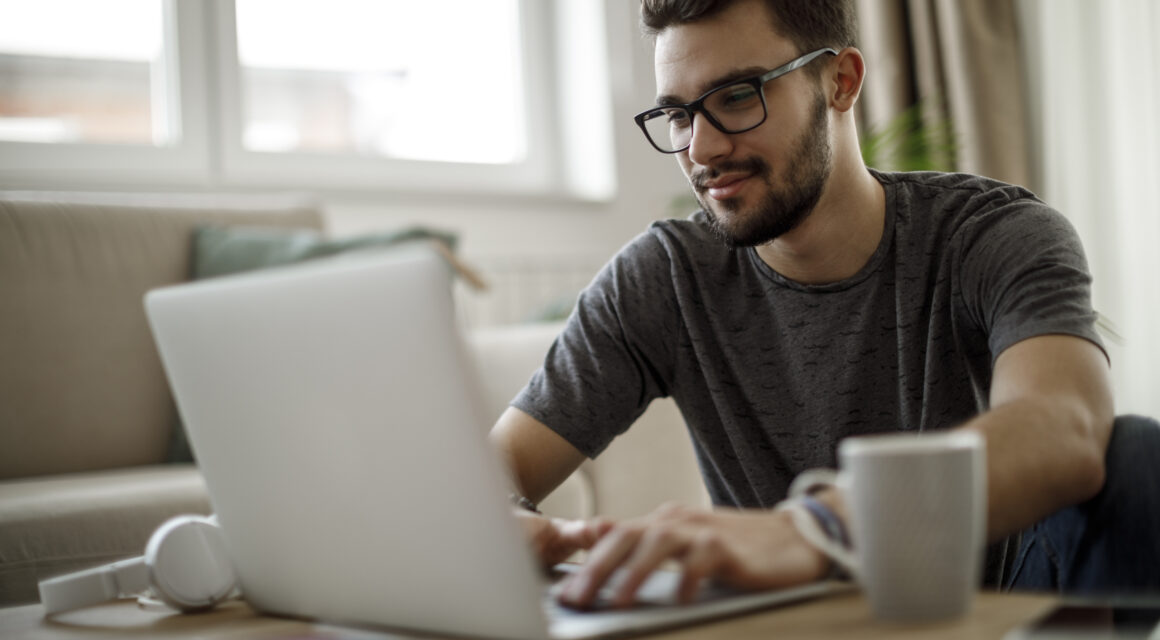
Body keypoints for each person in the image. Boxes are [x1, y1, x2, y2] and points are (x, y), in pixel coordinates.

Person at [489, 0, 1159, 610]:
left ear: (841, 80)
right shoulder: (664, 277)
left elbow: (1065, 426)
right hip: (788, 625)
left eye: (738, 96)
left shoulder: (991, 234)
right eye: (679, 114)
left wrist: (815, 529)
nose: (702, 148)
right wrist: (501, 520)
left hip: (981, 615)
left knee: (1137, 457)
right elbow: (492, 468)